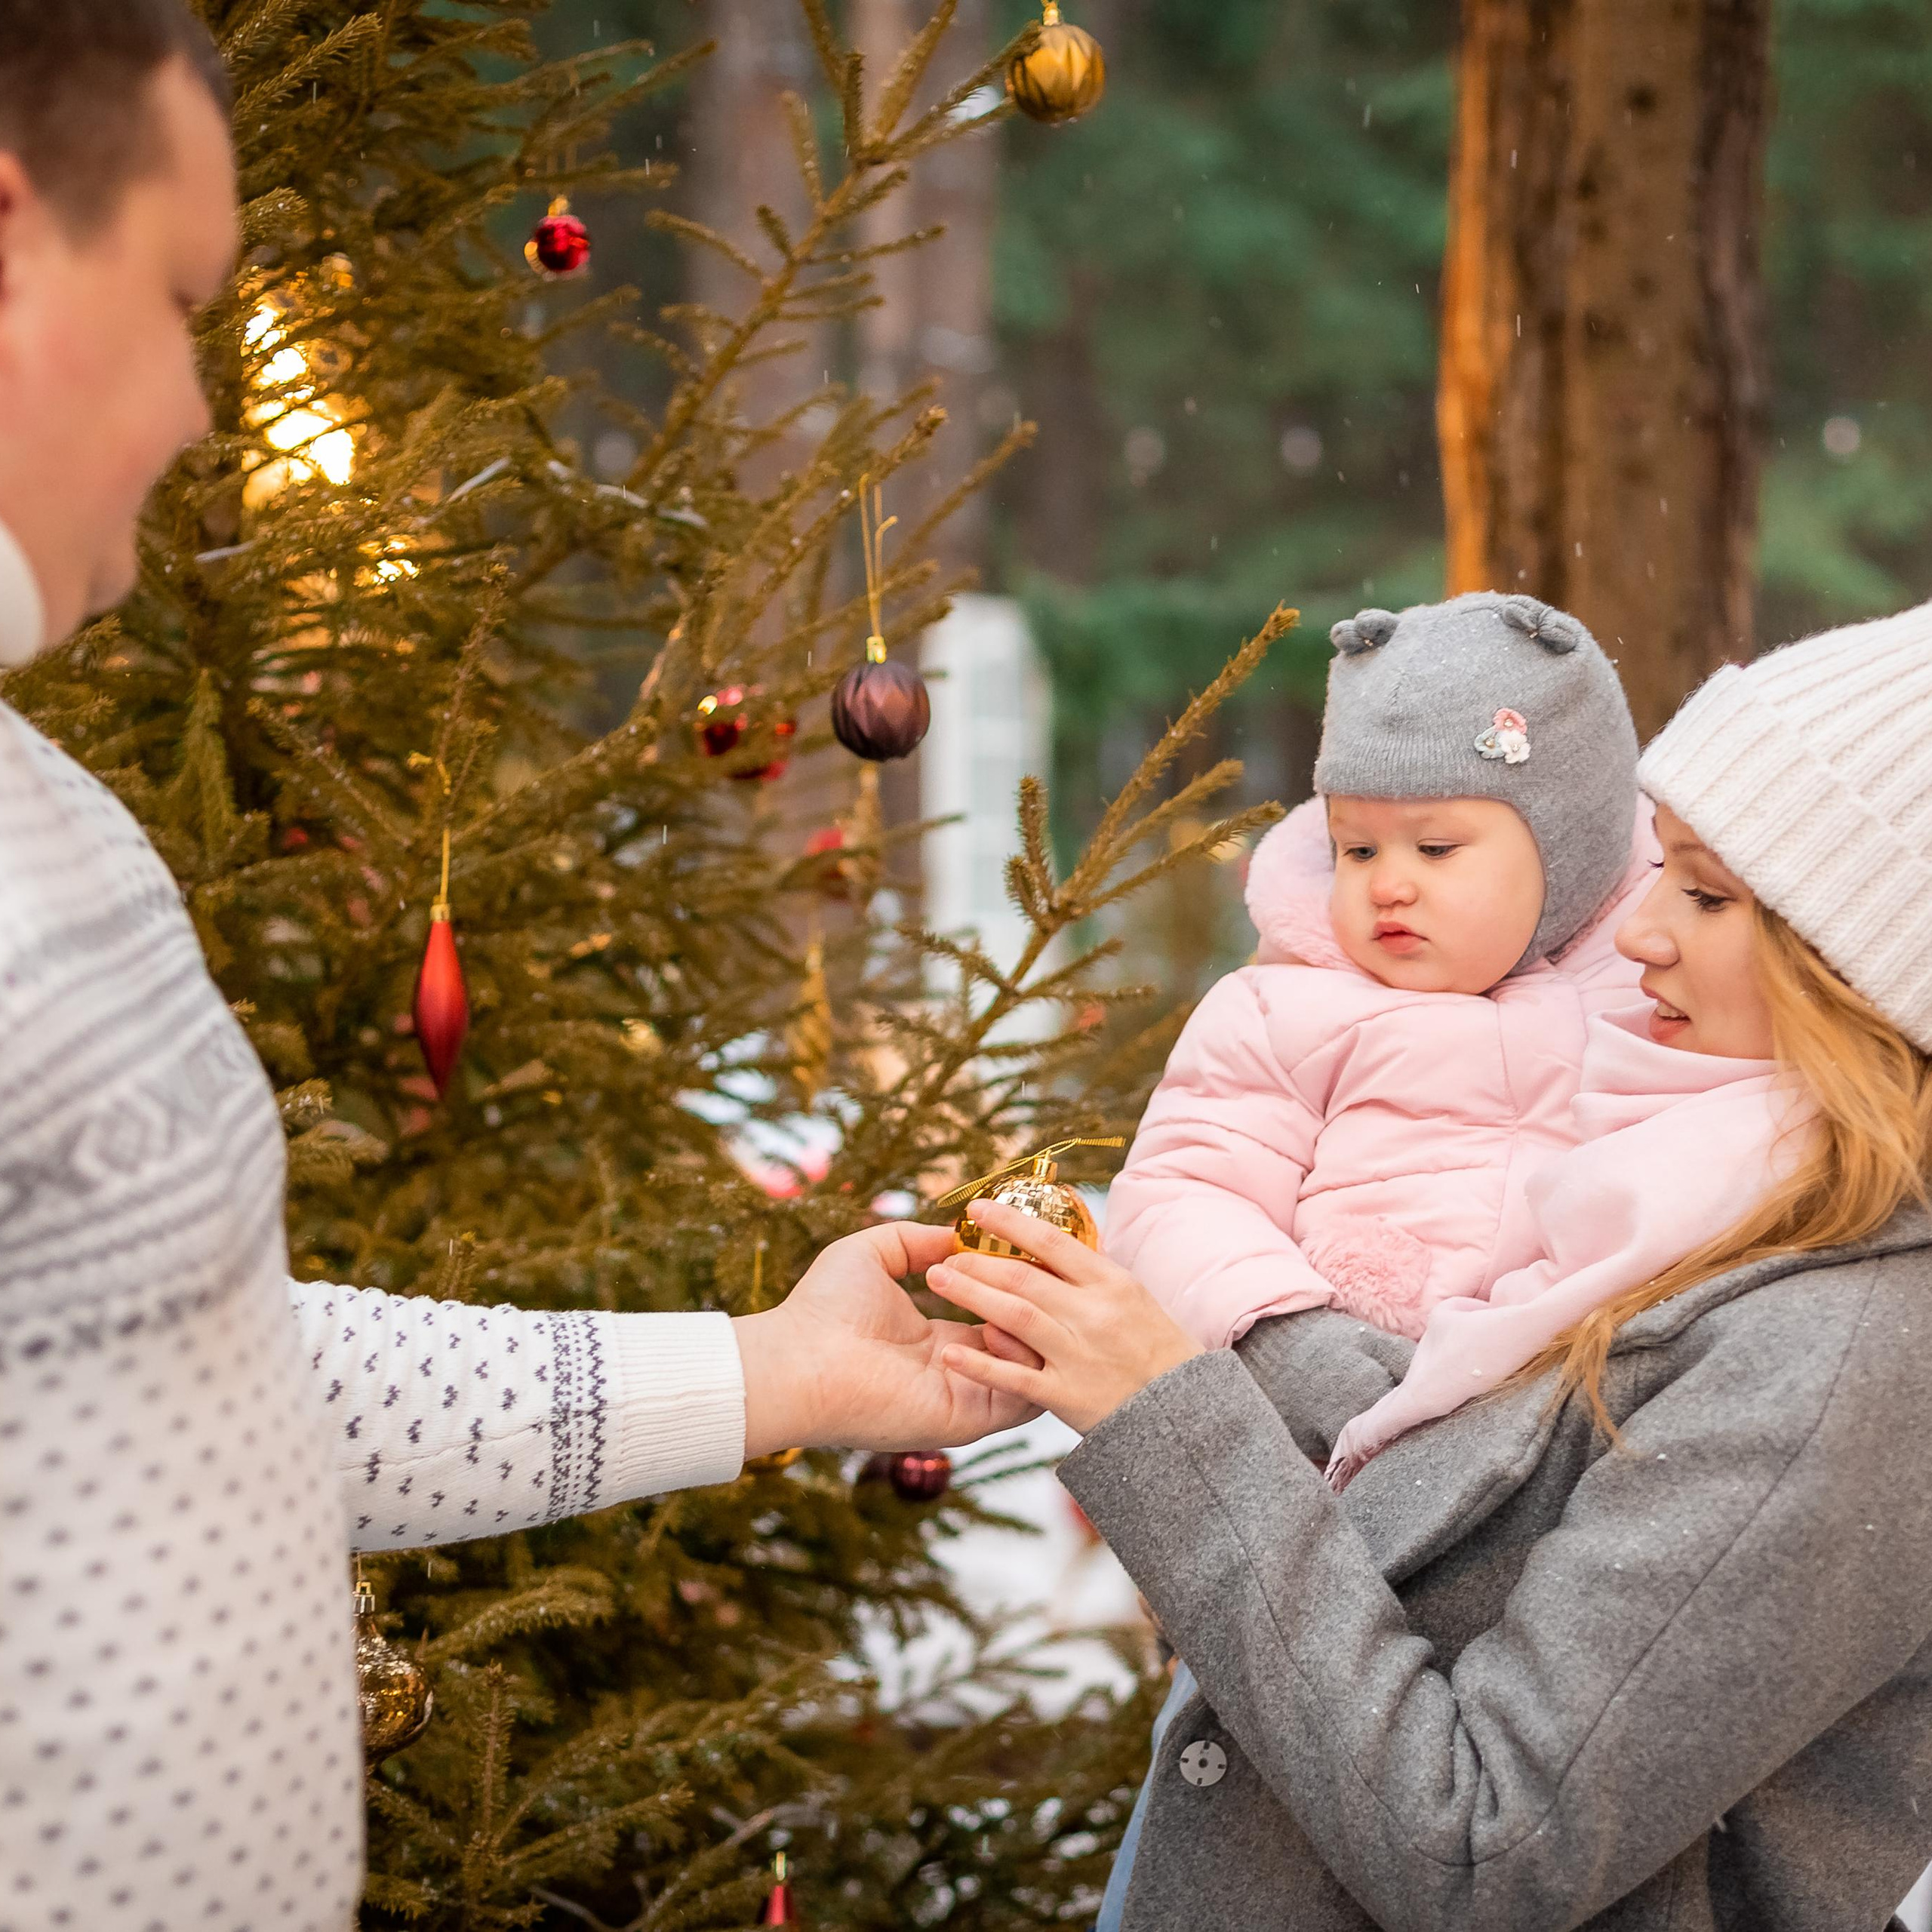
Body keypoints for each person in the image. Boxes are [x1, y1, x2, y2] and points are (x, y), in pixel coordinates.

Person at [0, 7, 1026, 1926]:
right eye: (176, 301)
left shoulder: (45, 812)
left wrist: (773, 1370)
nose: (202, 412)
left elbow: (213, 1372)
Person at [932, 605, 1932, 1929]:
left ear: (1866, 971)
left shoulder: (1840, 1362)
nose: (1635, 938)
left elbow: (1483, 1851)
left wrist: (1171, 1421)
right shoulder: (1674, 1195)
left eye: (1701, 892)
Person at [1107, 592, 1654, 1353]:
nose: (1387, 884)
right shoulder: (1282, 1009)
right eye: (1356, 850)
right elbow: (1183, 1191)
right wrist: (1280, 1338)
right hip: (1302, 1421)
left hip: (1563, 1403)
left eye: (1435, 849)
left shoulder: (1648, 991)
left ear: (1571, 855)